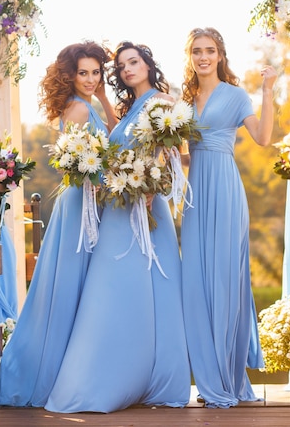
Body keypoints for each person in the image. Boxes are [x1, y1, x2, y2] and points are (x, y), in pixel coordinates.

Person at [44, 41, 191, 413]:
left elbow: (171, 157)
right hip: (118, 205)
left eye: (134, 62)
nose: (127, 69)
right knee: (113, 290)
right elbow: (115, 138)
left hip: (141, 206)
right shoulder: (126, 110)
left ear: (148, 64)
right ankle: (115, 375)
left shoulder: (162, 103)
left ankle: (133, 376)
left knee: (137, 291)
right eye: (122, 65)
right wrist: (107, 99)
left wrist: (151, 186)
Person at [0, 40, 117, 407]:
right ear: (70, 74)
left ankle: (73, 371)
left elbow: (114, 129)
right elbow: (76, 164)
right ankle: (50, 375)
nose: (91, 79)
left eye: (97, 73)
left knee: (80, 290)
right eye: (84, 73)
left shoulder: (88, 104)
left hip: (89, 203)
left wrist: (106, 95)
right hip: (80, 203)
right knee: (67, 290)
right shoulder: (78, 110)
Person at [180, 27, 277, 409]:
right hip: (193, 195)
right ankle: (207, 378)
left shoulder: (236, 96)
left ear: (220, 55)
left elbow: (264, 138)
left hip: (225, 191)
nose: (203, 57)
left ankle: (227, 376)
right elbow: (188, 152)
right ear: (189, 56)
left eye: (210, 50)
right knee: (197, 280)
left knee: (225, 279)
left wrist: (268, 92)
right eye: (196, 51)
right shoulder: (183, 99)